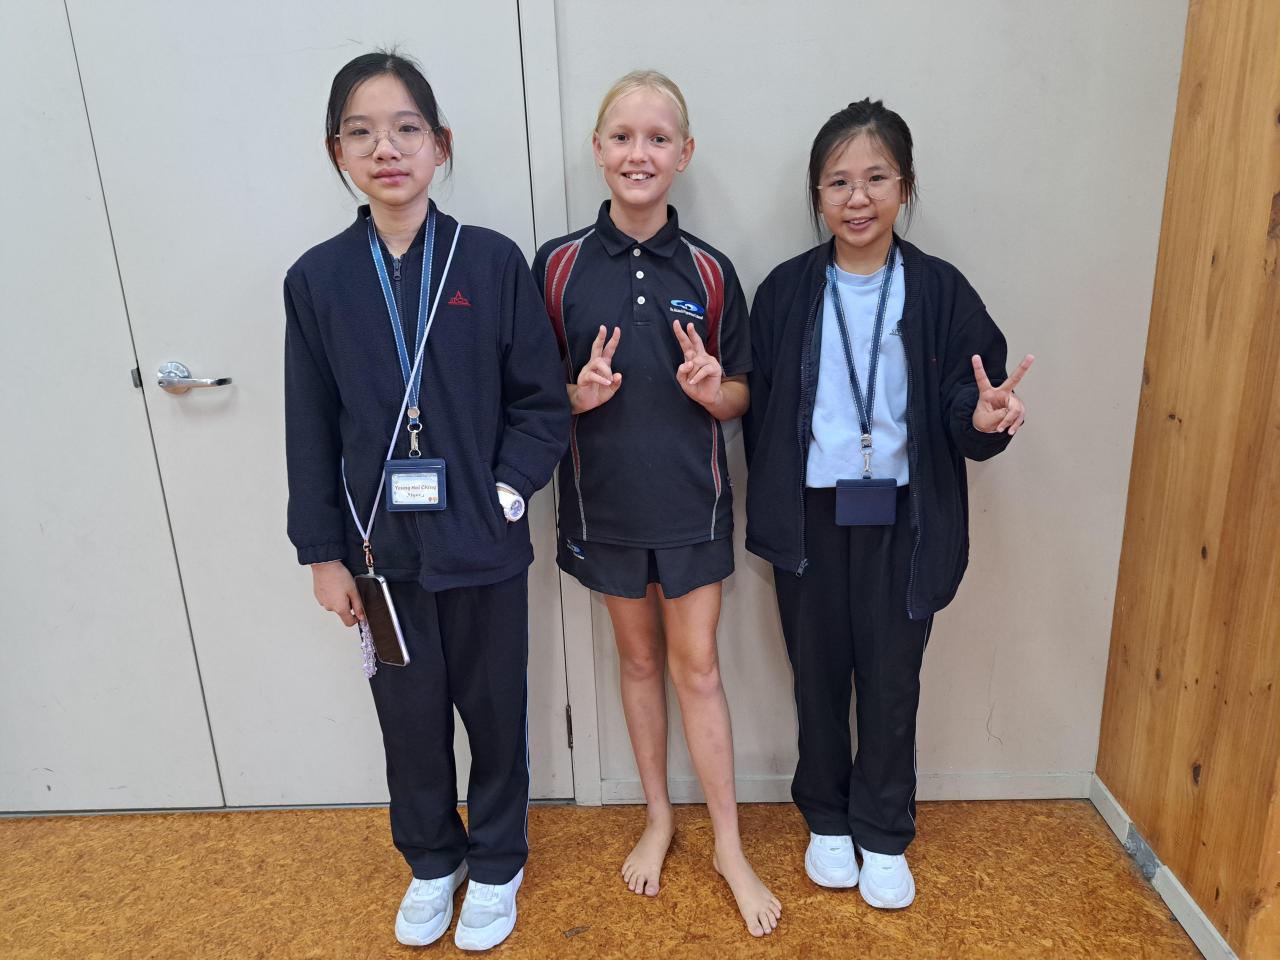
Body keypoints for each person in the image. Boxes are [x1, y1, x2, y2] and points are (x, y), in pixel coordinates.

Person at [283, 50, 569, 950]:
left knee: (495, 711)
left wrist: (507, 494)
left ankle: (497, 861)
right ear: (336, 152)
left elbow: (541, 403)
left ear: (440, 144)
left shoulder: (491, 260)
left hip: (483, 542)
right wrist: (323, 555)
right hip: (379, 554)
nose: (387, 149)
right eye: (362, 133)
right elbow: (308, 428)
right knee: (407, 721)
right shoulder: (318, 280)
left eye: (406, 128)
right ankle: (432, 862)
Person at [744, 98, 1034, 910]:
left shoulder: (939, 290)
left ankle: (882, 828)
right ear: (816, 194)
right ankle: (826, 817)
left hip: (905, 516)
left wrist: (984, 420)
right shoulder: (786, 291)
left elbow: (969, 402)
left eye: (876, 178)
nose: (857, 198)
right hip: (811, 516)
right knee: (816, 674)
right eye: (838, 181)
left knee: (892, 677)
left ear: (905, 186)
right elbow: (760, 413)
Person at [533, 70, 781, 938]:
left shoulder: (710, 270)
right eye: (623, 136)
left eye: (658, 137)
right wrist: (575, 396)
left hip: (693, 505)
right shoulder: (556, 266)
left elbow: (743, 392)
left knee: (697, 668)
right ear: (598, 149)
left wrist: (716, 392)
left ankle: (729, 846)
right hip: (601, 507)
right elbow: (531, 395)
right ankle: (658, 817)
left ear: (685, 153)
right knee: (637, 665)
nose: (639, 153)